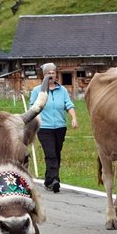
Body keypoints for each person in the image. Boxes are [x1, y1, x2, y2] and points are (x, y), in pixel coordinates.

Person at [28, 63, 77, 193]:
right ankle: (55, 179)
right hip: (44, 128)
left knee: (56, 153)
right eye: (47, 73)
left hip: (60, 127)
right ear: (43, 76)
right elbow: (33, 107)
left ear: (56, 74)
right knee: (50, 154)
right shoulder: (37, 91)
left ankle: (49, 180)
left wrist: (74, 118)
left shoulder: (63, 90)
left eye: (53, 73)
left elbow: (69, 105)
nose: (51, 75)